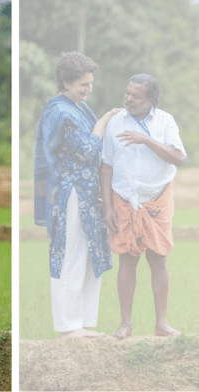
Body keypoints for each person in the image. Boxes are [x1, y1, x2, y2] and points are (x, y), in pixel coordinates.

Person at [33, 52, 120, 338]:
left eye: (91, 83)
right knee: (69, 255)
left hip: (88, 193)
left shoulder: (78, 107)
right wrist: (105, 121)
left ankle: (81, 322)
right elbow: (87, 151)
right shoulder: (60, 113)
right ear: (66, 82)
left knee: (89, 256)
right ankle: (68, 326)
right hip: (69, 194)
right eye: (84, 84)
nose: (89, 88)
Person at [101, 74, 185, 339]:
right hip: (124, 200)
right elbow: (106, 167)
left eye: (135, 96)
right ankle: (126, 324)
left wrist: (146, 139)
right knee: (127, 259)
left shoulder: (165, 122)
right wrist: (108, 208)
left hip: (156, 200)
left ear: (150, 100)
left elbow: (179, 158)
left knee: (158, 259)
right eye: (127, 93)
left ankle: (162, 324)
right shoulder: (115, 122)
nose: (128, 98)